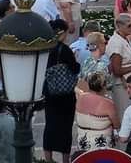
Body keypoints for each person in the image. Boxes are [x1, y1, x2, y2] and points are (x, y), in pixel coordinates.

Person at [43, 19, 79, 163]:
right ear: (61, 33)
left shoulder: (44, 47)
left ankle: (48, 158)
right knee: (65, 127)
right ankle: (65, 159)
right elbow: (75, 68)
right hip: (65, 95)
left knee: (50, 125)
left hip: (49, 92)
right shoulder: (64, 50)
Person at [76, 71, 119, 152]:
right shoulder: (108, 103)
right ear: (103, 86)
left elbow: (79, 83)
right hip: (101, 145)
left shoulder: (80, 98)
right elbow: (117, 125)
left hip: (82, 144)